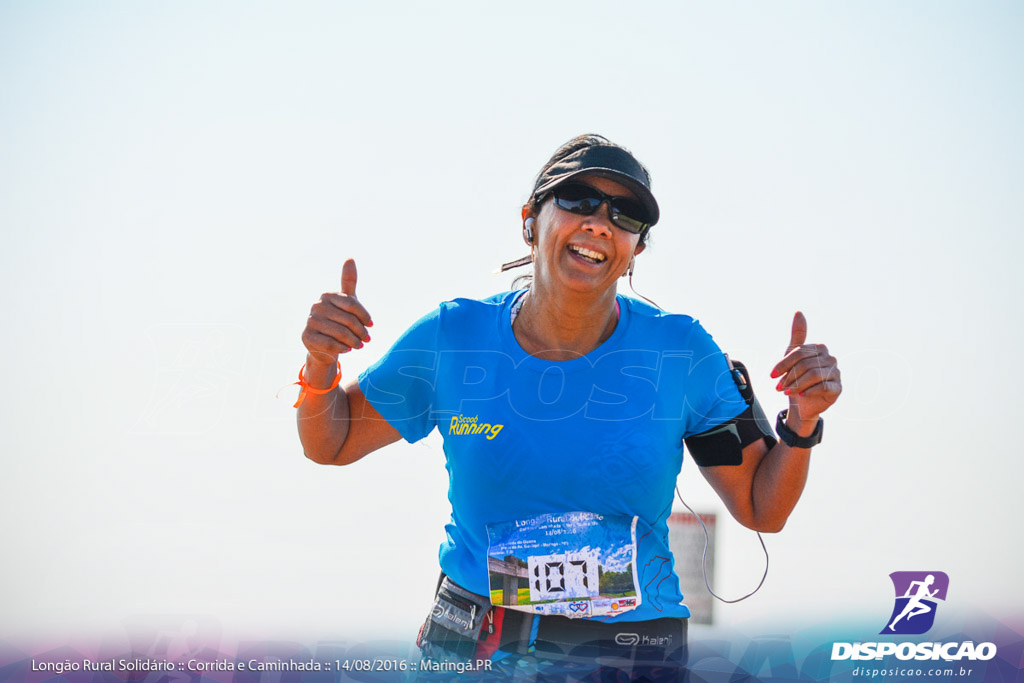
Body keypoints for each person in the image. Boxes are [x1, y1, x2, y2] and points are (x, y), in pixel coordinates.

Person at [295, 134, 842, 680]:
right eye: (579, 200)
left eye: (625, 215)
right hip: (473, 654)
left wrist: (803, 421)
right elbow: (332, 442)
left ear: (636, 250)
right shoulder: (454, 337)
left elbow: (761, 508)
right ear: (531, 221)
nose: (601, 222)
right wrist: (321, 365)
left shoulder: (681, 352)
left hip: (630, 659)